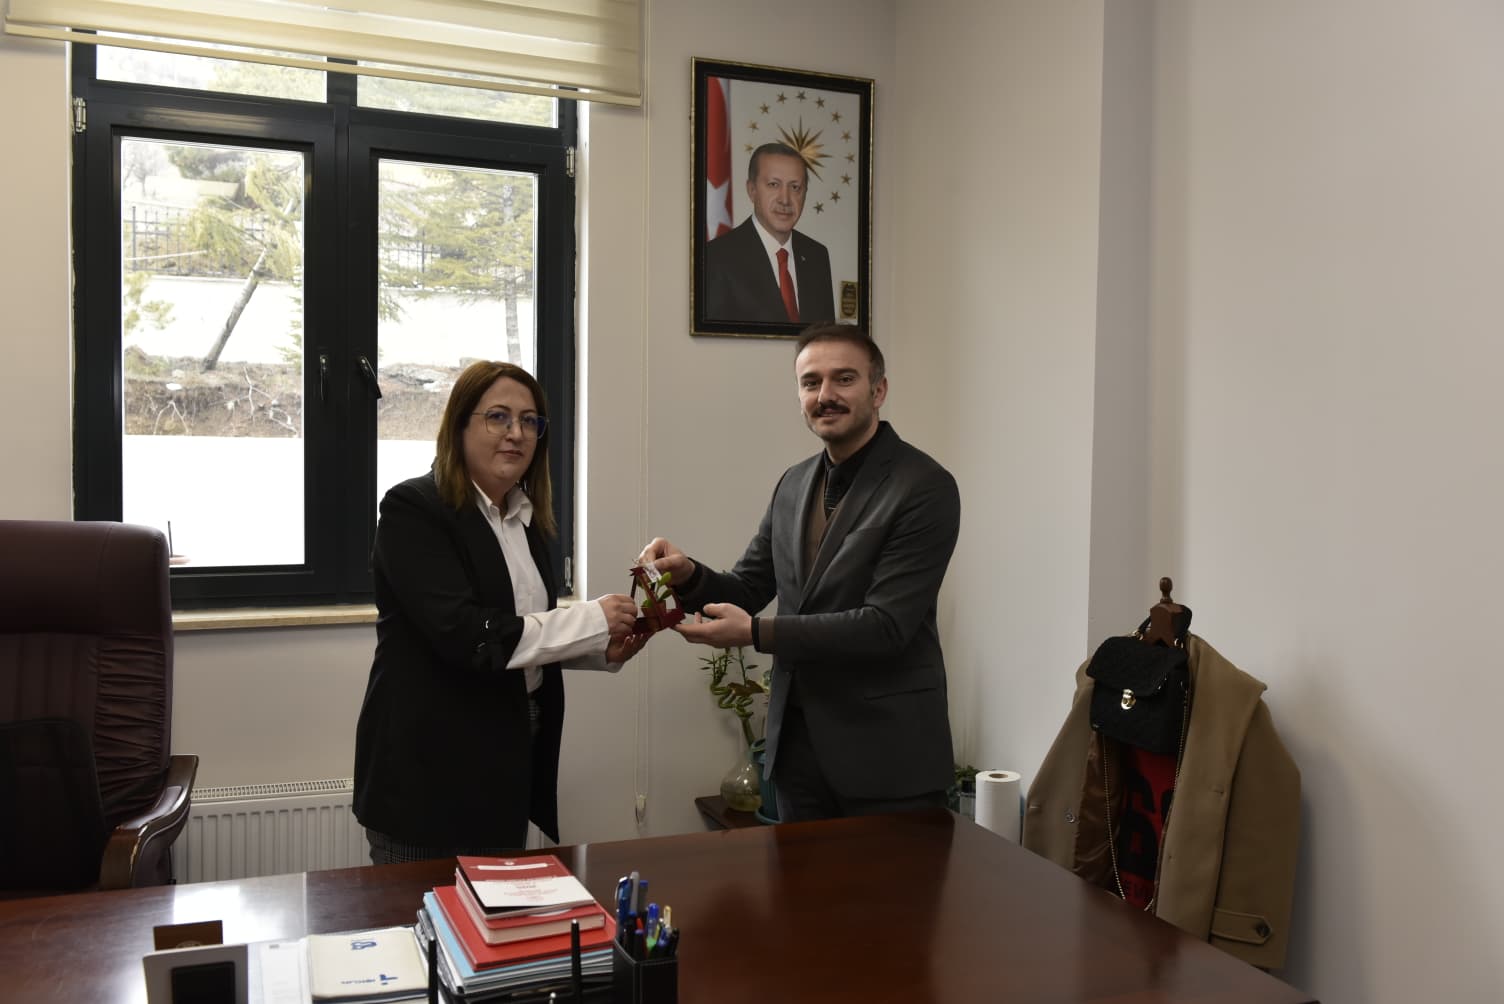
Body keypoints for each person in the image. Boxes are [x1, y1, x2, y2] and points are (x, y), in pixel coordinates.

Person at [639, 325, 960, 822]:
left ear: (879, 390)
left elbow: (886, 627)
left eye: (844, 379)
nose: (825, 395)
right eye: (811, 382)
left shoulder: (925, 486)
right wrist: (688, 575)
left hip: (889, 759)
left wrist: (755, 633)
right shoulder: (793, 483)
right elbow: (748, 587)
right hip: (796, 759)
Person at [354, 360, 645, 863]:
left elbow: (517, 638)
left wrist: (600, 649)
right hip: (428, 772)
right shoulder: (413, 509)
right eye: (498, 417)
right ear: (459, 426)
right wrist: (593, 619)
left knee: (497, 909)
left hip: (507, 761)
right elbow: (469, 635)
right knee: (425, 911)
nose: (517, 433)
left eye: (530, 421)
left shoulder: (525, 519)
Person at [703, 142, 836, 325]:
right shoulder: (716, 257)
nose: (785, 199)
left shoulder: (817, 256)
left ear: (805, 193)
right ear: (752, 190)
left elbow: (824, 336)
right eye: (774, 185)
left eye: (795, 187)